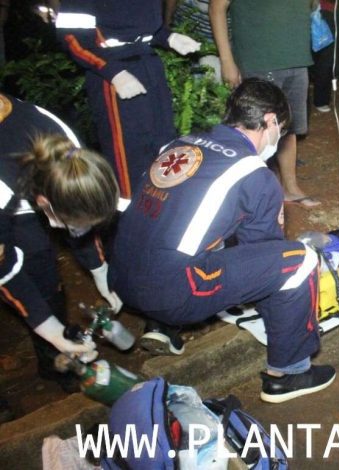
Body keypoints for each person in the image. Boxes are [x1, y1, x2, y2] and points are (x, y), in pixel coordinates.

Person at [109, 79, 334, 404]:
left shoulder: (180, 143)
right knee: (299, 261)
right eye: (281, 129)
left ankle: (160, 327)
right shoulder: (255, 176)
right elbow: (267, 255)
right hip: (170, 291)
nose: (279, 139)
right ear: (270, 121)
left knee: (190, 229)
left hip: (123, 276)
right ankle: (288, 373)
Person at [0, 93, 121, 392]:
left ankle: (54, 359)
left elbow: (79, 218)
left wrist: (100, 272)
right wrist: (50, 329)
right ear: (45, 203)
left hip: (24, 195)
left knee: (41, 265)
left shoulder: (66, 151)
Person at [55, 0, 202, 199]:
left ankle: (164, 207)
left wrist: (169, 37)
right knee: (128, 152)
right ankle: (127, 213)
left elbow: (141, 25)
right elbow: (73, 37)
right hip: (114, 69)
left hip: (148, 64)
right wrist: (113, 72)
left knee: (164, 141)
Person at [210, 0, 321, 207]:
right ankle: (252, 196)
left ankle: (290, 188)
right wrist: (226, 60)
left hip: (297, 58)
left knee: (289, 128)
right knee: (255, 131)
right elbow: (217, 7)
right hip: (259, 60)